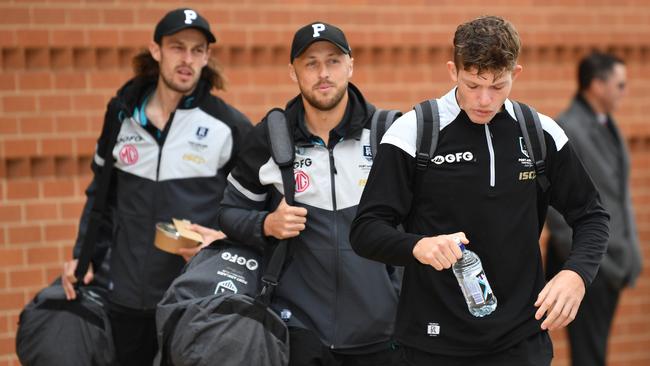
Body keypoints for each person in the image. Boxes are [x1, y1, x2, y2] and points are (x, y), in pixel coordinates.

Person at [350, 15, 610, 366]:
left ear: (515, 74)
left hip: (521, 341)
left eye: (498, 85)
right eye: (473, 85)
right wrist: (418, 246)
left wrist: (576, 273)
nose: (485, 100)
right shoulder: (411, 132)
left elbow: (591, 215)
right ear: (452, 70)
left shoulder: (541, 134)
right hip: (432, 342)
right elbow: (366, 230)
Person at [60, 8, 251, 366]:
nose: (187, 59)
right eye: (178, 47)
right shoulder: (122, 115)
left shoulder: (229, 126)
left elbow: (253, 208)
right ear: (156, 50)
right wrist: (82, 255)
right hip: (127, 291)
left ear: (207, 57)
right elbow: (101, 196)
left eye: (197, 50)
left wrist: (221, 242)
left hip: (192, 295)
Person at [214, 21, 402, 366]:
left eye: (332, 60)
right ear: (293, 71)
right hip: (298, 331)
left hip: (382, 333)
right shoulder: (271, 137)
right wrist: (267, 224)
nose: (323, 73)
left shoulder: (389, 133)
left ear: (350, 65)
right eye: (310, 63)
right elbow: (228, 213)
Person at [546, 52, 642, 366]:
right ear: (597, 85)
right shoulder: (568, 128)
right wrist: (583, 261)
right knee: (589, 355)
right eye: (620, 85)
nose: (624, 92)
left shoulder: (606, 124)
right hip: (586, 268)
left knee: (596, 352)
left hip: (612, 263)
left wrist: (628, 255)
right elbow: (557, 208)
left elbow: (617, 193)